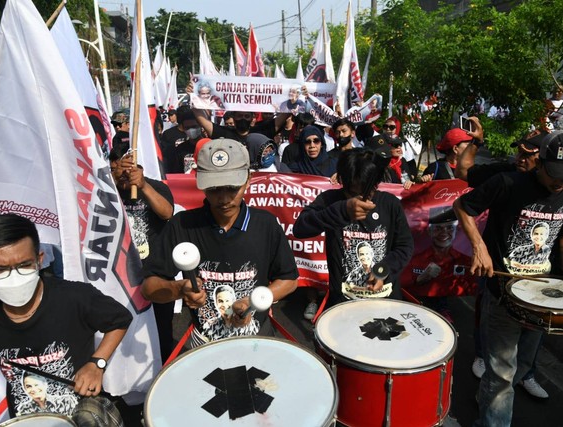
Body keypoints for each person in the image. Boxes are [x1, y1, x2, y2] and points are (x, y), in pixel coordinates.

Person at [452, 131, 563, 426]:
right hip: (504, 292)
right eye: (556, 174)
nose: (562, 182)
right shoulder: (507, 182)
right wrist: (480, 248)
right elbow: (463, 206)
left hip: (542, 293)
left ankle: (491, 398)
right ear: (541, 162)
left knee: (521, 365)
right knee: (502, 372)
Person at [0, 214, 132, 421]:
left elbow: (120, 320)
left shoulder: (74, 297)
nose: (14, 276)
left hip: (79, 417)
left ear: (40, 259)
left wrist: (97, 364)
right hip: (24, 419)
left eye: (24, 264)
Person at [141, 139, 298, 347]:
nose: (224, 198)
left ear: (248, 180)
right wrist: (179, 289)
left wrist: (251, 302)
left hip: (258, 337)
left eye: (232, 188)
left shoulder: (265, 224)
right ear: (200, 181)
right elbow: (149, 287)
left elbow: (289, 280)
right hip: (202, 342)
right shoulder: (183, 225)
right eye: (214, 189)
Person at [455, 119, 553, 397]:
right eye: (518, 153)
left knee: (534, 330)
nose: (519, 159)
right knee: (490, 317)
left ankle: (526, 373)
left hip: (537, 274)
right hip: (497, 269)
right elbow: (464, 172)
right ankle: (484, 359)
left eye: (528, 155)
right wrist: (476, 141)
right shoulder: (505, 176)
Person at [293, 148, 414, 306]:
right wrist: (342, 210)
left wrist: (383, 270)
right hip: (343, 302)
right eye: (353, 193)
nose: (361, 199)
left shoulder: (390, 204)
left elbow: (405, 246)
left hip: (386, 300)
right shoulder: (330, 200)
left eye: (368, 192)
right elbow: (300, 228)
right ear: (342, 181)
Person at [109, 144, 175, 364]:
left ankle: (162, 372)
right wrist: (113, 182)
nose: (122, 174)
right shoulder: (108, 191)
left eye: (127, 169)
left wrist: (143, 185)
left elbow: (166, 213)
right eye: (116, 169)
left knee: (160, 331)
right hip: (120, 276)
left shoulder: (155, 187)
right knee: (123, 331)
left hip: (154, 273)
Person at [400, 208, 474, 323]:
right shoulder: (415, 260)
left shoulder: (466, 261)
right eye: (438, 228)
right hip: (415, 308)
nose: (444, 233)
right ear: (429, 231)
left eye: (449, 228)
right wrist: (420, 279)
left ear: (456, 231)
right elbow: (401, 283)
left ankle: (443, 307)